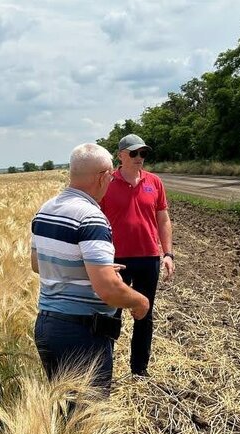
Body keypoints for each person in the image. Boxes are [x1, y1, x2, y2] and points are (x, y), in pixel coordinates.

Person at [30, 142, 150, 395]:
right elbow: (107, 290)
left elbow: (37, 264)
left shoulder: (45, 210)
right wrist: (140, 302)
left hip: (47, 327)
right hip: (82, 332)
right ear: (103, 176)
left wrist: (96, 267)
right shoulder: (90, 217)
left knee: (64, 412)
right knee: (87, 420)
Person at [100, 134, 174, 377]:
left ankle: (139, 369)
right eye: (134, 153)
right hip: (116, 260)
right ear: (120, 155)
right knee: (112, 315)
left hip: (148, 258)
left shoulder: (154, 182)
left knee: (145, 314)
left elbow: (163, 219)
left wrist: (168, 253)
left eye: (143, 153)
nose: (139, 158)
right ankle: (104, 367)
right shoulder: (106, 182)